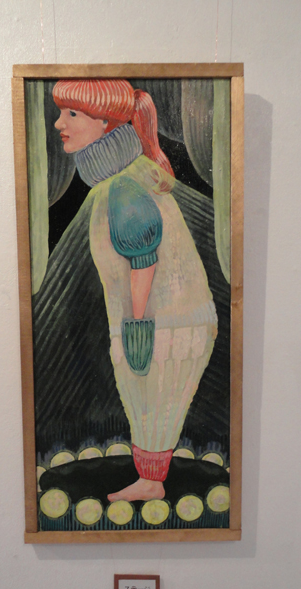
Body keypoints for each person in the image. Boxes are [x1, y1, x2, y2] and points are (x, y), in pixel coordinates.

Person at [52, 78, 218, 502]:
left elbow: (143, 258)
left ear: (106, 124)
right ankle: (151, 481)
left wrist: (136, 325)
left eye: (72, 114)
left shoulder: (123, 186)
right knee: (150, 406)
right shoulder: (130, 175)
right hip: (172, 322)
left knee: (151, 402)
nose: (59, 124)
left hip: (165, 324)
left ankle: (150, 482)